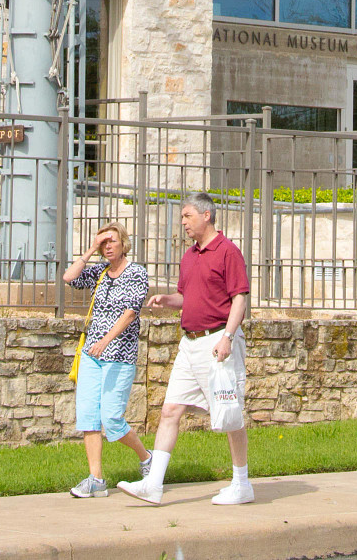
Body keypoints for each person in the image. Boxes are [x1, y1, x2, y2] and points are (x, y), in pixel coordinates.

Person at [119, 192, 252, 506]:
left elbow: (240, 299)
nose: (183, 223)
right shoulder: (189, 256)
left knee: (229, 415)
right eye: (182, 217)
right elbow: (187, 297)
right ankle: (153, 484)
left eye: (187, 216)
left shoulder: (228, 251)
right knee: (170, 411)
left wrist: (228, 338)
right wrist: (168, 300)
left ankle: (242, 484)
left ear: (207, 215)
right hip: (189, 344)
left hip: (217, 342)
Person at [61, 222, 154, 498]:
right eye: (104, 243)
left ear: (123, 243)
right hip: (91, 356)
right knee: (89, 417)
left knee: (112, 418)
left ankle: (146, 458)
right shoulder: (99, 272)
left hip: (119, 356)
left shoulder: (136, 273)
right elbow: (69, 277)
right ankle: (96, 479)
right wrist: (90, 248)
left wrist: (106, 340)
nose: (108, 246)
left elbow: (130, 313)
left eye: (111, 241)